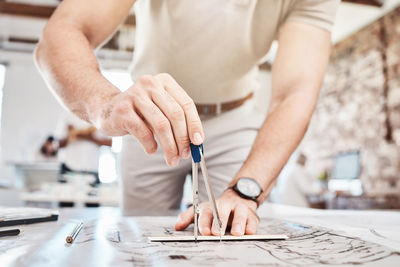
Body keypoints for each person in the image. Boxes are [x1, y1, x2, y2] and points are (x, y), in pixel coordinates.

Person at [35, 0, 339, 236]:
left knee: (232, 235)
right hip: (150, 120)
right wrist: (105, 104)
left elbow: (295, 92)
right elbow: (61, 33)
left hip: (235, 118)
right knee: (138, 240)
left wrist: (245, 191)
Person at [40, 113, 112, 177]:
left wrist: (88, 137)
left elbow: (110, 143)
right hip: (69, 167)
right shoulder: (67, 117)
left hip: (92, 168)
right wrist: (73, 135)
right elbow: (58, 144)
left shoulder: (99, 117)